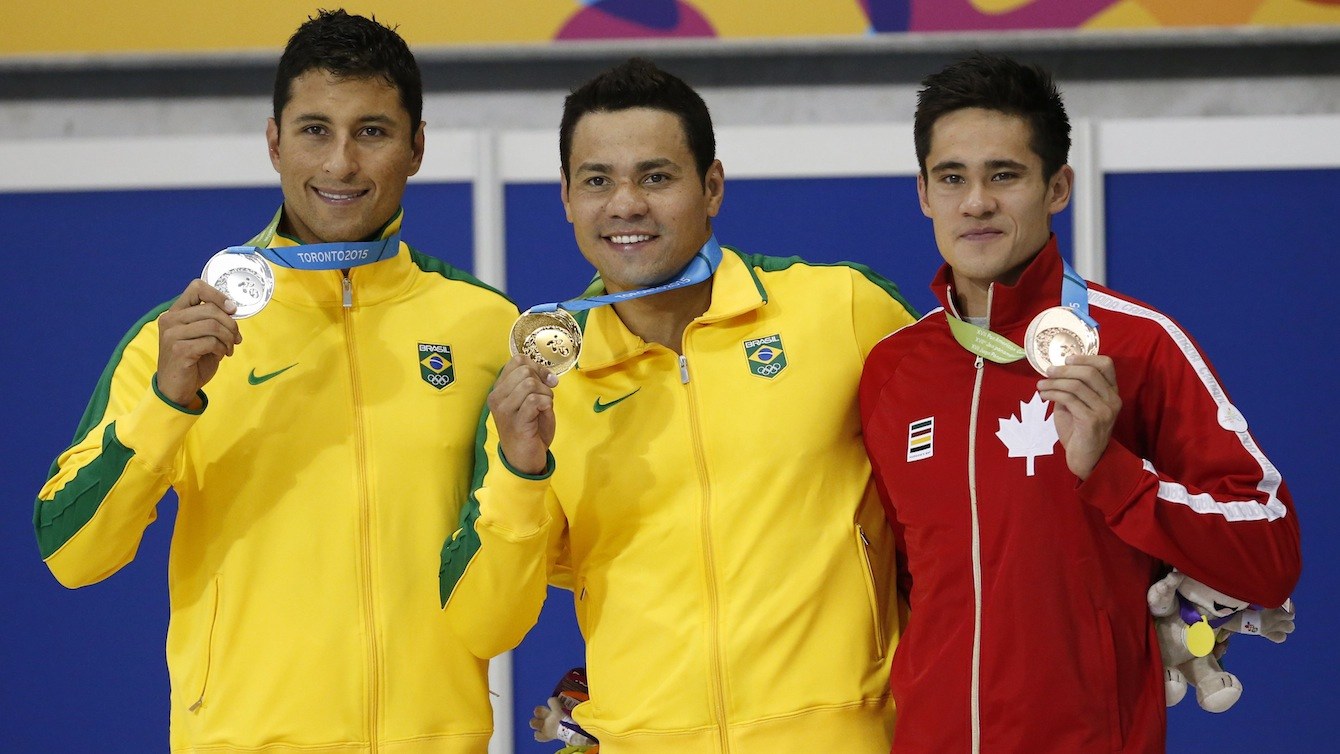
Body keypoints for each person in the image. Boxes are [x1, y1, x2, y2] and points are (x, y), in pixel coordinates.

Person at [33, 10, 516, 753]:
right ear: (274, 142)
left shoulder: (485, 328)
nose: (341, 165)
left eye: (374, 132)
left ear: (418, 146)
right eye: (315, 130)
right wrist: (168, 402)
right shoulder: (184, 334)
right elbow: (72, 553)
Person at [439, 58, 918, 752]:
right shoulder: (546, 383)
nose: (626, 204)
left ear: (712, 186)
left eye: (655, 177)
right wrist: (519, 468)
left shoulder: (840, 310)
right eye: (597, 180)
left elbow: (954, 504)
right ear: (567, 198)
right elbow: (484, 625)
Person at [858, 54, 1302, 752]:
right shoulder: (893, 372)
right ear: (922, 193)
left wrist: (1114, 474)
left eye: (1003, 175)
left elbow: (1269, 549)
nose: (975, 202)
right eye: (952, 178)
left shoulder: (1137, 345)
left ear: (1057, 186)